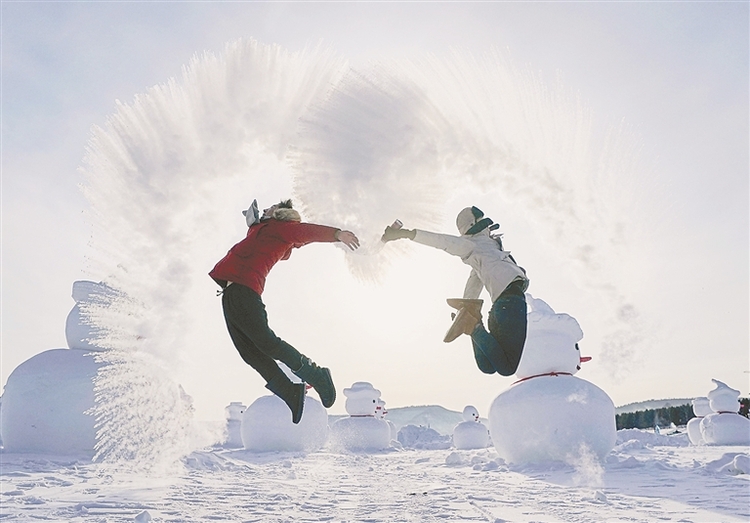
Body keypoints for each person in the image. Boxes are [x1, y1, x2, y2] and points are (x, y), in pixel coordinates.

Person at [210, 199, 360, 423]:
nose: (266, 209)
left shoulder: (283, 230)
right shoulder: (261, 230)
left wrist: (337, 234)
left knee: (266, 342)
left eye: (271, 208)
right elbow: (255, 229)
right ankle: (290, 392)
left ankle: (316, 374)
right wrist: (252, 220)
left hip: (245, 291)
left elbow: (306, 231)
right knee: (249, 354)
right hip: (230, 293)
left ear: (280, 214)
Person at [381, 206, 528, 376]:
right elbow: (443, 242)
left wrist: (465, 307)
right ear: (477, 224)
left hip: (501, 306)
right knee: (507, 368)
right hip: (511, 302)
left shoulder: (487, 250)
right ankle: (471, 325)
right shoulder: (472, 245)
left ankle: (472, 321)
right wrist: (406, 234)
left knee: (487, 366)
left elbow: (475, 280)